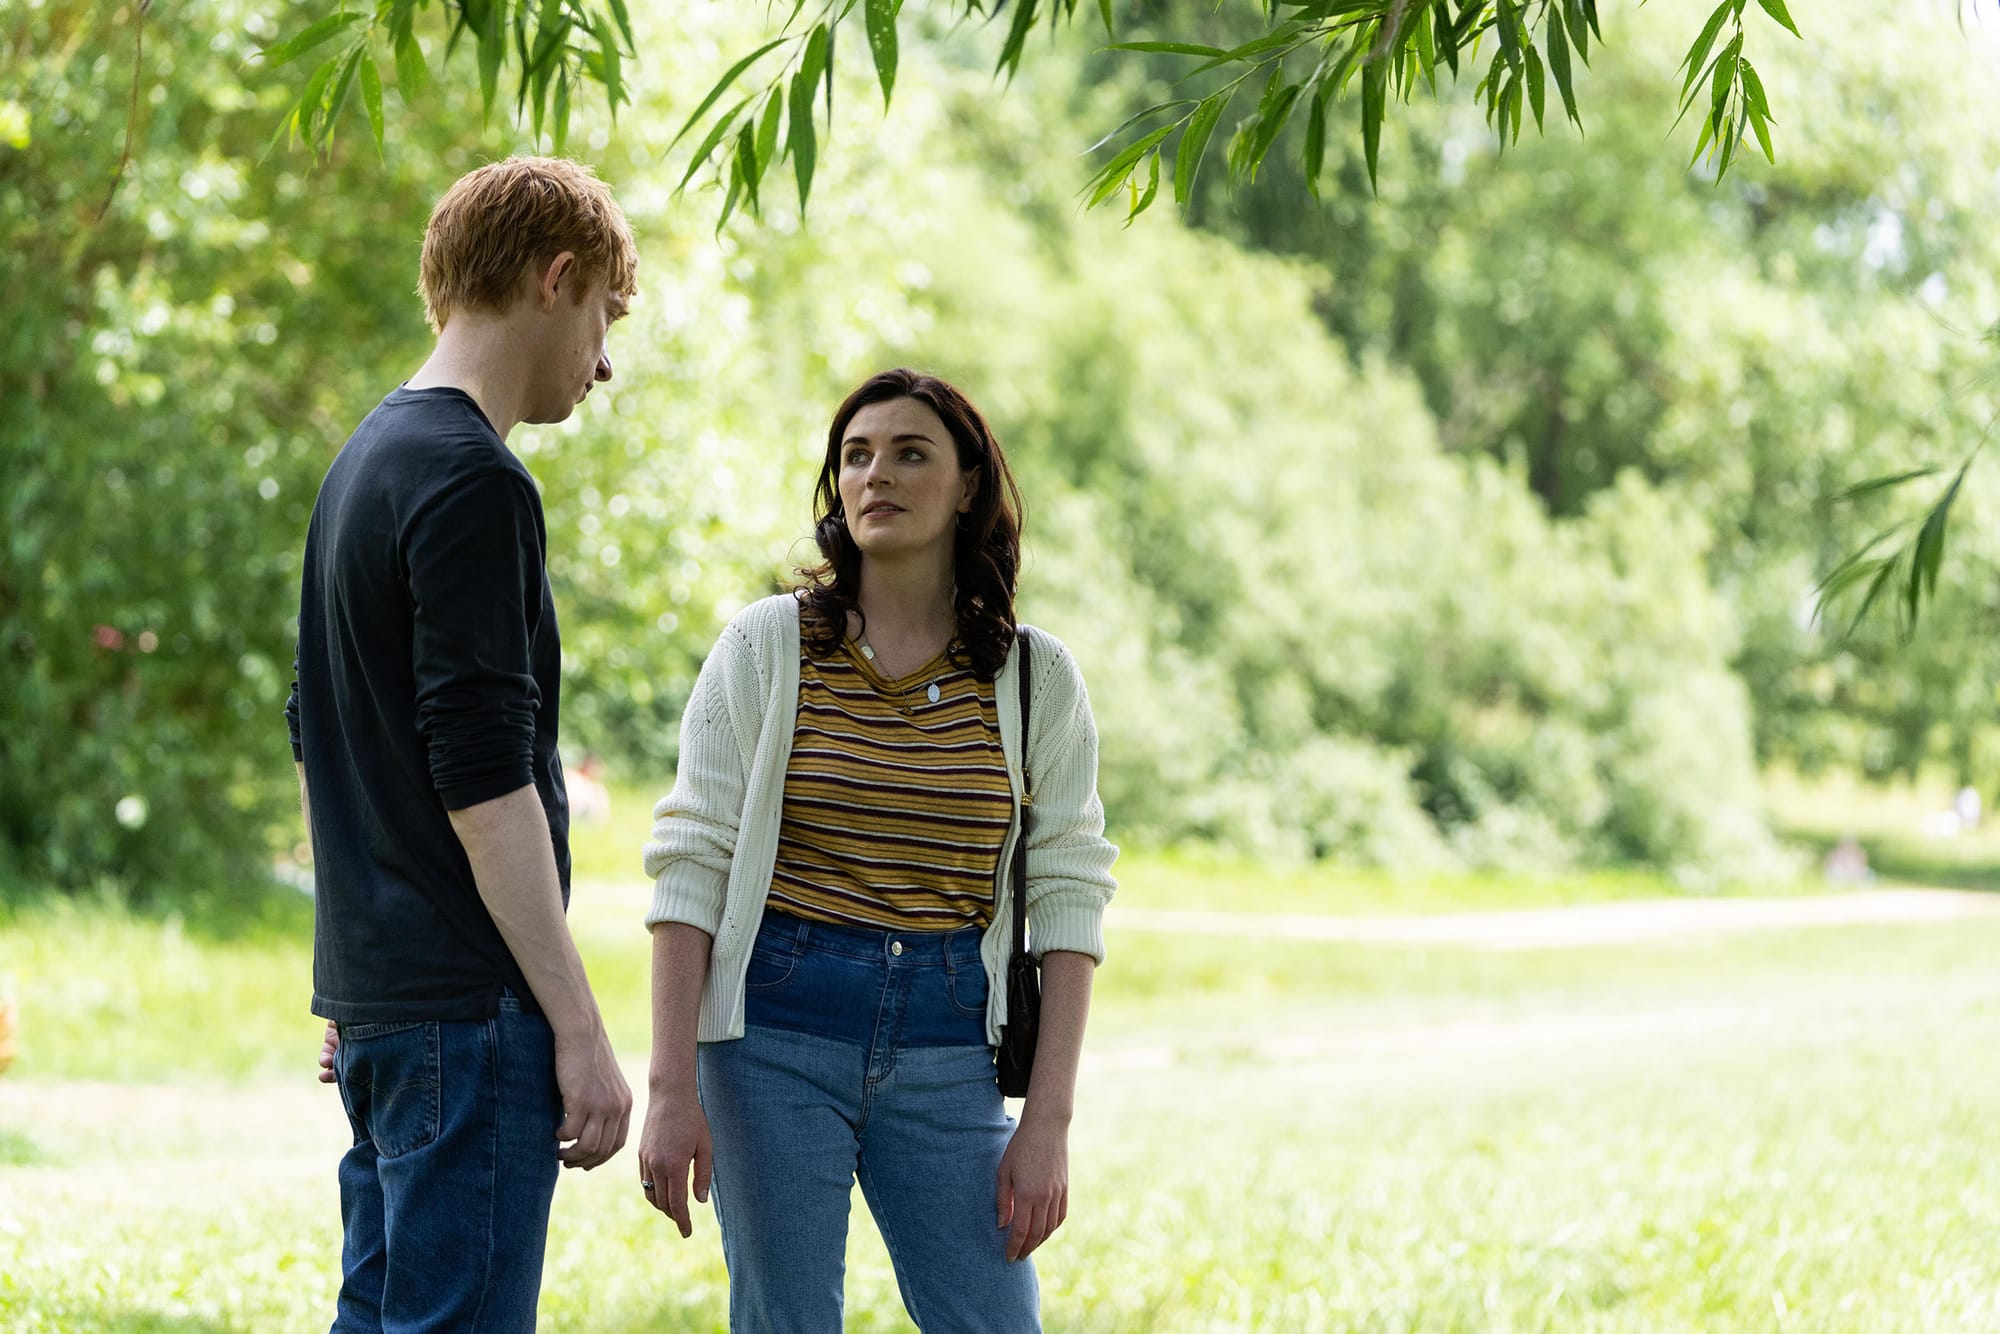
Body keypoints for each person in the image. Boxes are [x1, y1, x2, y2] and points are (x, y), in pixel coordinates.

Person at [636, 368, 1118, 1331]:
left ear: (968, 485)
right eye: (855, 456)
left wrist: (1049, 1123)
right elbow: (690, 864)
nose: (876, 476)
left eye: (909, 453)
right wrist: (668, 1088)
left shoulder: (1036, 678)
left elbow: (1070, 895)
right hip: (771, 1033)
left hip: (953, 1042)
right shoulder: (765, 648)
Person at [286, 155, 637, 1333]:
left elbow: (320, 734)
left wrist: (357, 967)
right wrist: (579, 1033)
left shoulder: (360, 466)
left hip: (390, 1003)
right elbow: (483, 777)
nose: (602, 360)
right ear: (558, 276)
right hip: (466, 1015)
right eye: (604, 317)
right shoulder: (473, 480)